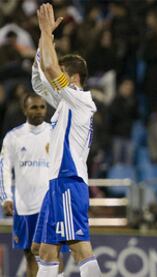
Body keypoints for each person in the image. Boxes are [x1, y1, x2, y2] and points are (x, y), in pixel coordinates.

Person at [31, 3, 101, 276]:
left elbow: (49, 67)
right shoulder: (65, 102)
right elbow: (39, 80)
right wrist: (43, 38)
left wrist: (47, 33)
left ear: (73, 77)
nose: (55, 75)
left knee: (79, 246)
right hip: (57, 181)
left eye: (62, 72)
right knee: (44, 249)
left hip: (69, 179)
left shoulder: (80, 99)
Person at [0, 94, 50, 277]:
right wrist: (6, 198)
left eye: (42, 107)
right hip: (23, 206)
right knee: (29, 255)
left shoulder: (55, 133)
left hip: (49, 204)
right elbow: (4, 168)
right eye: (34, 107)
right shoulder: (13, 137)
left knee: (52, 253)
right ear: (24, 110)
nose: (39, 111)